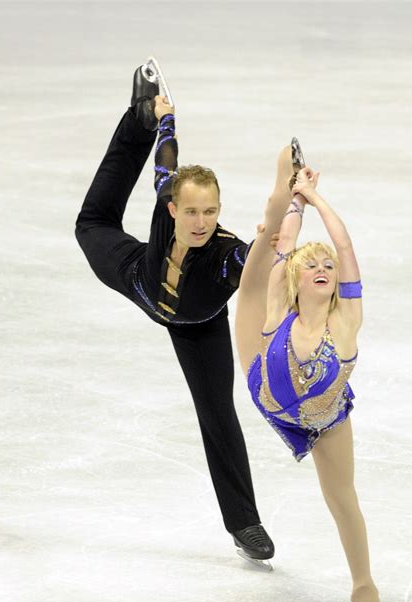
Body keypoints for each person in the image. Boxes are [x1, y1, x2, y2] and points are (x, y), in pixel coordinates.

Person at [75, 60, 290, 565]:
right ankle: (137, 115)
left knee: (218, 413)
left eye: (210, 212)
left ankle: (245, 523)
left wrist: (285, 211)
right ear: (172, 208)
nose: (201, 221)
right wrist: (162, 116)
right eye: (191, 211)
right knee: (92, 223)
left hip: (198, 326)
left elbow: (261, 262)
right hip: (138, 278)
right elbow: (166, 161)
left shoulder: (226, 255)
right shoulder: (165, 200)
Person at [234, 149, 389, 602]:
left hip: (324, 420)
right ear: (298, 277)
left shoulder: (347, 320)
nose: (323, 267)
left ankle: (363, 588)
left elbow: (343, 249)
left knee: (342, 500)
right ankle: (278, 186)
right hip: (265, 383)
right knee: (257, 268)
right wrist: (294, 200)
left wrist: (317, 197)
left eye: (329, 266)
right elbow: (287, 247)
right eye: (312, 264)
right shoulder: (280, 305)